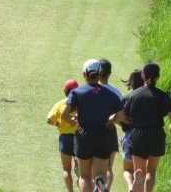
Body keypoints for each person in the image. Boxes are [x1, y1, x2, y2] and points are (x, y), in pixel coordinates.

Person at [61, 59, 125, 192]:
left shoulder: (77, 92)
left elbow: (63, 113)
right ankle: (100, 181)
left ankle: (95, 183)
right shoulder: (110, 94)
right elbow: (121, 115)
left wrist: (71, 121)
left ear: (84, 74)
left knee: (84, 176)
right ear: (100, 74)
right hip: (102, 134)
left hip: (84, 134)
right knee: (101, 173)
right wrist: (108, 120)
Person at [124, 61, 171, 192]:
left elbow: (124, 116)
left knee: (139, 170)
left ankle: (138, 182)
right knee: (151, 171)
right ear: (158, 77)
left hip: (138, 134)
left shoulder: (133, 95)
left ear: (142, 76)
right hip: (156, 134)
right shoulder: (163, 96)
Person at [47, 79, 80, 192]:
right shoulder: (82, 103)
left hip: (65, 138)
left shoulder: (60, 104)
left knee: (66, 169)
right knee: (79, 167)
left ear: (64, 91)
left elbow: (49, 120)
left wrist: (58, 124)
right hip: (79, 138)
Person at [99, 58, 123, 191]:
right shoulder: (116, 93)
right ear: (109, 73)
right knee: (108, 168)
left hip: (92, 132)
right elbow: (121, 116)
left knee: (92, 167)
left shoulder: (89, 91)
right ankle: (106, 188)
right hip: (109, 132)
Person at [120, 69, 144, 192]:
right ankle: (139, 185)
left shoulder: (126, 99)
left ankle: (130, 187)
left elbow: (120, 118)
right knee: (141, 170)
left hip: (129, 136)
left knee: (127, 170)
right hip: (145, 136)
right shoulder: (148, 99)